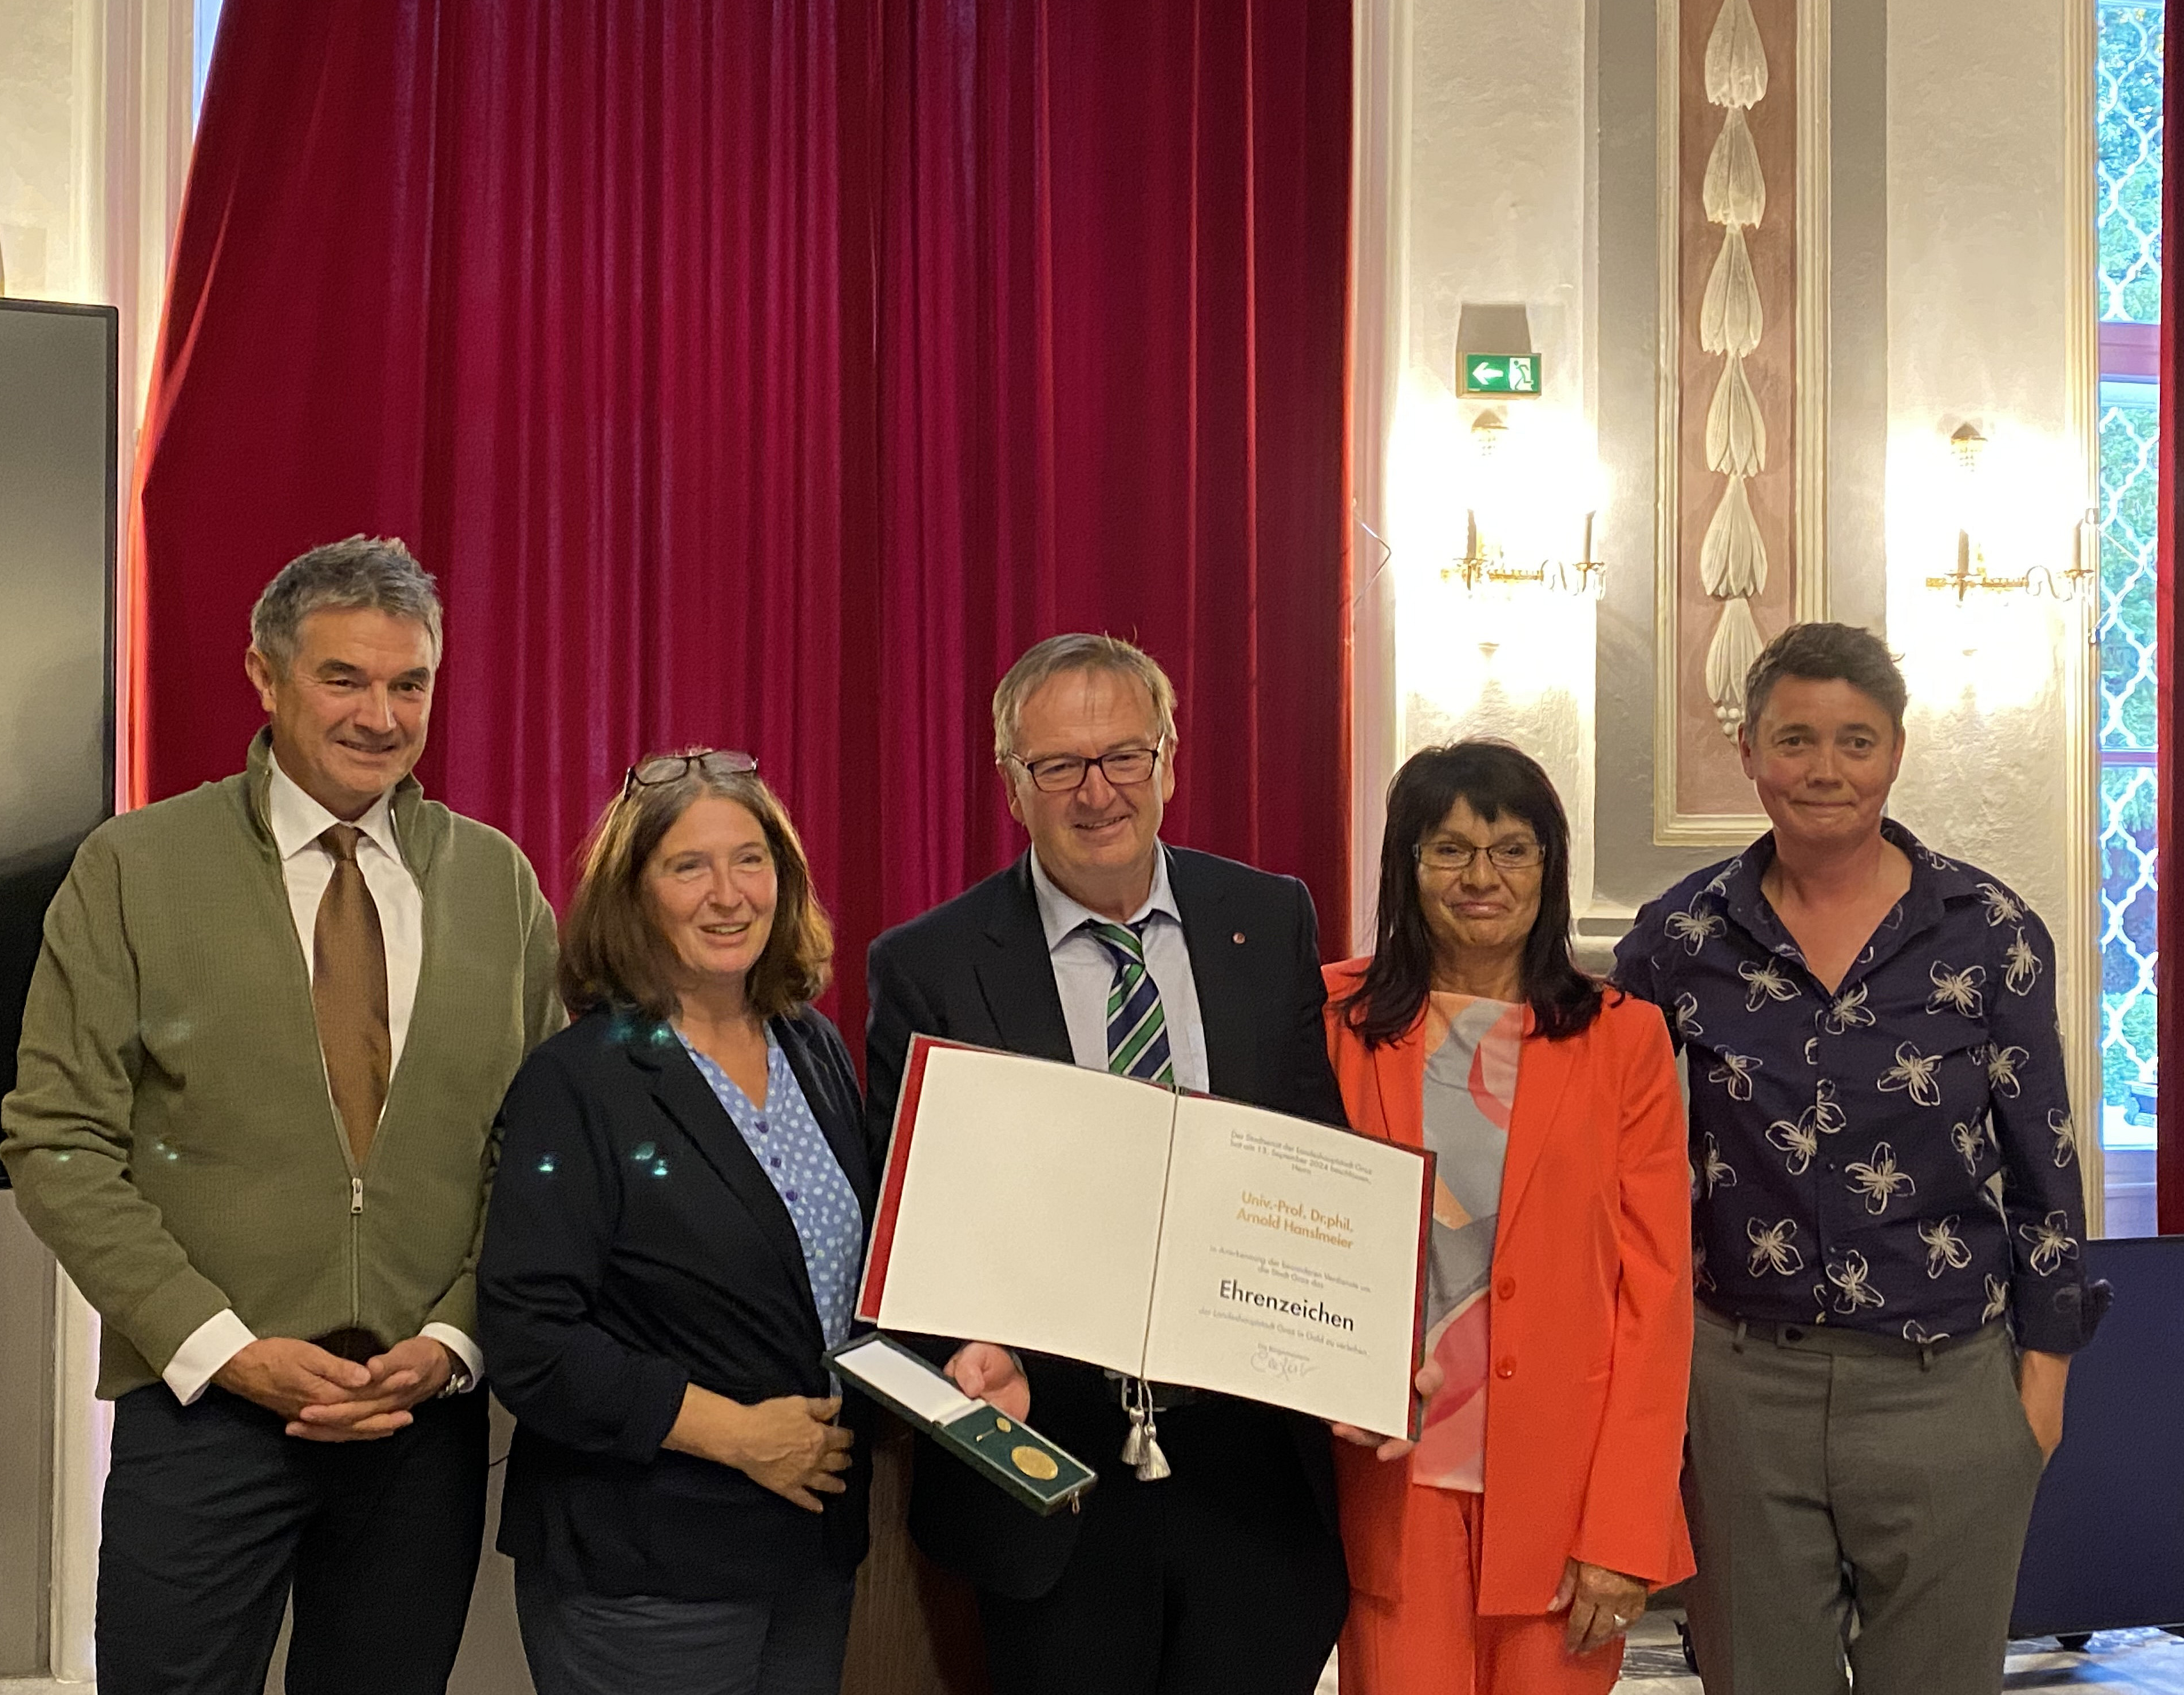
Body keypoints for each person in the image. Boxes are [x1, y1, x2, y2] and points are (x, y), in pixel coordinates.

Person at [1, 536, 564, 1695]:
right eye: (344, 678)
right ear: (265, 677)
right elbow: (57, 1139)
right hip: (204, 1411)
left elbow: (544, 1152)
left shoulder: (499, 884)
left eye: (409, 683)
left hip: (423, 1422)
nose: (381, 714)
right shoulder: (135, 869)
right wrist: (226, 1351)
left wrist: (458, 1341)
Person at [1614, 621, 2103, 1695]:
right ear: (1747, 750)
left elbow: (2046, 1170)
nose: (1824, 770)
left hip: (1949, 1390)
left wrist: (2041, 1389)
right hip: (1739, 1390)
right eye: (1794, 739)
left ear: (1896, 750)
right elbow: (1621, 1162)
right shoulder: (1676, 941)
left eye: (1855, 740)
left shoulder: (1993, 934)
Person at [864, 633, 1351, 1695]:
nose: (1097, 792)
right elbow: (908, 1229)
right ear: (1011, 785)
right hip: (1053, 1477)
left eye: (1124, 756)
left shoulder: (1268, 923)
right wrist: (970, 1349)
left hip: (1253, 1476)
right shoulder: (930, 968)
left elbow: (1320, 1157)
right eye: (1059, 767)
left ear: (1170, 762)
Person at [479, 749, 874, 1695]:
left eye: (751, 860)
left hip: (807, 1552)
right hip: (647, 1570)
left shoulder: (811, 1046)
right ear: (634, 893)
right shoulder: (578, 1081)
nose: (727, 894)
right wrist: (738, 1437)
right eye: (688, 867)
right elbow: (533, 1341)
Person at [1324, 741, 1693, 1695]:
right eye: (1449, 850)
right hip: (1392, 1482)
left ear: (1549, 868)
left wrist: (1625, 1528)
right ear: (1406, 867)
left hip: (1565, 1493)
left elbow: (1657, 1300)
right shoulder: (1332, 1020)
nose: (1480, 877)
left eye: (1513, 850)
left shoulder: (1626, 1039)